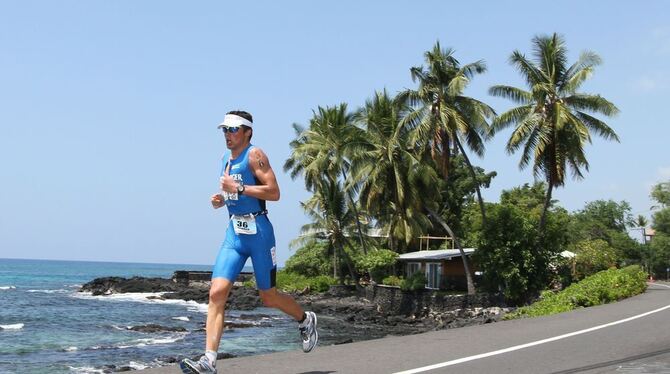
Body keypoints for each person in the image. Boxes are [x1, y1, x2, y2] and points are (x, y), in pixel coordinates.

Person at [180, 111, 318, 374]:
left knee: (269, 297)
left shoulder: (256, 155)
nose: (228, 135)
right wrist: (221, 200)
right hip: (234, 233)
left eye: (233, 130)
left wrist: (239, 189)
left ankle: (304, 318)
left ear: (247, 132)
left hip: (259, 233)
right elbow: (230, 191)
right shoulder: (224, 158)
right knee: (216, 293)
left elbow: (274, 192)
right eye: (225, 130)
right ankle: (208, 361)